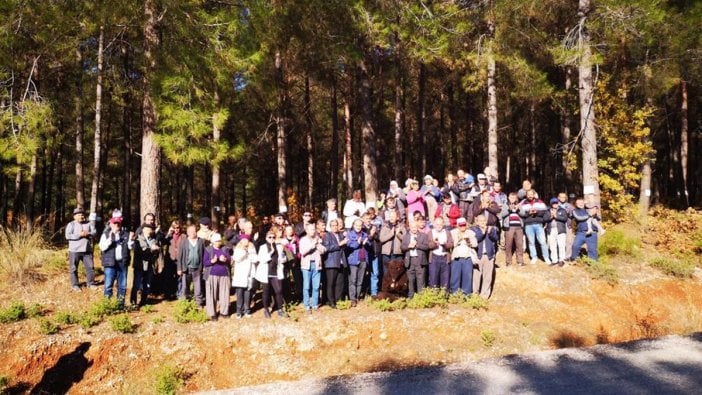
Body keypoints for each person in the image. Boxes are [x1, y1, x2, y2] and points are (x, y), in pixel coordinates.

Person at [99, 216, 134, 307]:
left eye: (118, 223)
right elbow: (102, 247)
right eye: (114, 223)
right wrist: (110, 238)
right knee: (108, 286)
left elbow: (131, 247)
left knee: (122, 286)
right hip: (110, 264)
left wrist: (131, 239)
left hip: (122, 263)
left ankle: (120, 305)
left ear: (120, 224)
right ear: (110, 224)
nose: (116, 225)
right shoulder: (106, 234)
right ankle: (107, 305)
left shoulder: (126, 234)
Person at [256, 228, 288, 318]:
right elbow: (261, 260)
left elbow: (284, 259)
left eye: (273, 237)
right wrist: (271, 252)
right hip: (265, 273)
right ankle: (266, 309)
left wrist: (282, 257)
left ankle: (279, 309)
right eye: (270, 237)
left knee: (278, 291)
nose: (272, 239)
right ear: (266, 238)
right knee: (266, 292)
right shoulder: (262, 247)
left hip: (276, 272)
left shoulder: (279, 246)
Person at [65, 207, 97, 291]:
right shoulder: (71, 224)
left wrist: (88, 233)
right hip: (74, 250)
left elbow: (94, 232)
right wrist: (79, 235)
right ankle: (75, 285)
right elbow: (67, 236)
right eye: (78, 215)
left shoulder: (89, 224)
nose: (81, 216)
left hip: (87, 250)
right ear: (74, 216)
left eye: (82, 215)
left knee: (90, 268)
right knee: (73, 268)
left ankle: (91, 284)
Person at [203, 233, 231, 321]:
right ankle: (212, 313)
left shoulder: (225, 249)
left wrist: (225, 259)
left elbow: (229, 260)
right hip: (212, 274)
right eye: (217, 241)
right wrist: (212, 261)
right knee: (211, 294)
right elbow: (205, 262)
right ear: (213, 242)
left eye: (219, 240)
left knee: (225, 294)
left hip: (224, 274)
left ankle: (224, 312)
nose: (219, 242)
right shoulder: (208, 249)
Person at [131, 223, 160, 307]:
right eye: (147, 229)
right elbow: (140, 251)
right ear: (143, 230)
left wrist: (157, 250)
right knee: (136, 285)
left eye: (150, 229)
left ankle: (143, 301)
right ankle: (133, 302)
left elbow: (156, 253)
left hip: (149, 266)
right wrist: (152, 249)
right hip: (139, 266)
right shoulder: (138, 239)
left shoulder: (153, 240)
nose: (149, 231)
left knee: (147, 285)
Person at [299, 223, 326, 313]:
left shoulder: (318, 239)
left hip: (316, 265)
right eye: (311, 229)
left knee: (316, 286)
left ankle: (315, 305)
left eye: (314, 229)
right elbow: (302, 252)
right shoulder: (303, 240)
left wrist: (318, 245)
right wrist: (312, 245)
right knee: (306, 286)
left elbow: (324, 250)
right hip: (307, 266)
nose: (313, 231)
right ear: (306, 231)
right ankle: (307, 306)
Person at [519, 189, 551, 264]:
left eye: (531, 194)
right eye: (528, 194)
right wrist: (528, 213)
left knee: (543, 242)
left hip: (538, 224)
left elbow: (545, 212)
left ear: (534, 194)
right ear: (526, 195)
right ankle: (534, 257)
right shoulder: (523, 204)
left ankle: (546, 257)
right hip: (528, 225)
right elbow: (521, 214)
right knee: (531, 242)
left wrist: (537, 212)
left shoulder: (540, 202)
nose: (530, 196)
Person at [177, 224, 205, 305]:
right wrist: (179, 268)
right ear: (187, 232)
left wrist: (203, 267)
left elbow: (203, 255)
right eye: (191, 231)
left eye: (194, 231)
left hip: (197, 268)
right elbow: (180, 256)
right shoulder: (184, 242)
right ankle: (184, 303)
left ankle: (199, 303)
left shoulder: (201, 241)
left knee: (198, 287)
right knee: (185, 287)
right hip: (186, 268)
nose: (193, 232)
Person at [401, 221, 431, 298]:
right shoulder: (406, 236)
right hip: (410, 261)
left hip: (420, 261)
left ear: (417, 227)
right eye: (412, 227)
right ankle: (410, 297)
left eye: (415, 227)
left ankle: (421, 298)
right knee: (410, 281)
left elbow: (427, 247)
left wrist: (417, 245)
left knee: (421, 280)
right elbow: (402, 247)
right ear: (409, 227)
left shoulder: (423, 236)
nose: (414, 229)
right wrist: (409, 246)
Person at [322, 219, 347, 308]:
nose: (335, 227)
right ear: (330, 227)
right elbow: (327, 248)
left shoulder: (341, 235)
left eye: (336, 225)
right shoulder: (327, 235)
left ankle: (338, 300)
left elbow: (344, 247)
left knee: (339, 283)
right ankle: (331, 301)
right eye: (332, 225)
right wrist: (340, 244)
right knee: (331, 283)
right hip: (331, 262)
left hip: (340, 262)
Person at [471, 215, 498, 299]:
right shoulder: (474, 230)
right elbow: (475, 239)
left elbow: (496, 238)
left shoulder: (491, 229)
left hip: (488, 256)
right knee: (476, 277)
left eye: (484, 220)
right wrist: (482, 233)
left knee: (487, 277)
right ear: (477, 222)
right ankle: (475, 294)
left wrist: (490, 233)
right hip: (478, 256)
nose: (483, 222)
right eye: (481, 221)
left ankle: (484, 296)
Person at [346, 218, 371, 307]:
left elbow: (369, 245)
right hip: (353, 260)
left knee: (360, 281)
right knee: (353, 280)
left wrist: (366, 243)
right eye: (356, 225)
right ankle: (353, 299)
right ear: (353, 225)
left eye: (360, 225)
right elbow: (349, 246)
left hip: (363, 260)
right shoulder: (350, 234)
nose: (358, 227)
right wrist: (357, 242)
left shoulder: (364, 234)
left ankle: (357, 297)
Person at [231, 237, 257, 318]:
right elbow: (237, 259)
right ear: (241, 242)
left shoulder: (252, 249)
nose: (246, 243)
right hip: (240, 276)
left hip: (249, 275)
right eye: (244, 241)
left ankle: (247, 310)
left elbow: (255, 260)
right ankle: (239, 311)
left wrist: (250, 253)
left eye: (247, 241)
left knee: (248, 294)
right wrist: (245, 252)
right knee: (239, 295)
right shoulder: (237, 250)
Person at [450, 217, 476, 295]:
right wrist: (458, 239)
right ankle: (455, 294)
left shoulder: (470, 233)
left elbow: (475, 244)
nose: (462, 227)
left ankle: (466, 295)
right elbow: (451, 245)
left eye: (464, 225)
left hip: (467, 257)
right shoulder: (453, 233)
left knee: (467, 277)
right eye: (460, 225)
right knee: (455, 277)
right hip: (456, 258)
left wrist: (469, 242)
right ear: (457, 225)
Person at [501, 192, 525, 266]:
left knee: (519, 244)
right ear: (508, 197)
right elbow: (501, 215)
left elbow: (523, 214)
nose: (512, 199)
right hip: (509, 227)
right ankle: (508, 261)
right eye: (511, 197)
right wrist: (509, 210)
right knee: (508, 245)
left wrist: (518, 210)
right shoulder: (505, 205)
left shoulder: (519, 205)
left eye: (514, 198)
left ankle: (520, 261)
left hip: (519, 227)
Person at [428, 217, 453, 290]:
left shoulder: (447, 232)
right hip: (434, 258)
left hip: (445, 258)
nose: (439, 226)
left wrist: (445, 244)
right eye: (437, 224)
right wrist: (435, 244)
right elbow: (428, 245)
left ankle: (444, 297)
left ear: (443, 224)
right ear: (434, 224)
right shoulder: (430, 232)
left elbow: (451, 244)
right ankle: (434, 297)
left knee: (445, 279)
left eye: (440, 224)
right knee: (433, 279)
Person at [363, 209, 382, 298]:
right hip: (366, 255)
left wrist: (375, 233)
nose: (368, 220)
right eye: (366, 218)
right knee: (364, 273)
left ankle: (374, 292)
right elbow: (366, 241)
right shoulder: (362, 229)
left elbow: (379, 239)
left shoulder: (374, 227)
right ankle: (364, 292)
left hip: (375, 253)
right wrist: (371, 234)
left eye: (369, 218)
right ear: (363, 219)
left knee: (375, 273)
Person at [281, 224, 302, 303]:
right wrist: (290, 244)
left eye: (291, 229)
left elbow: (300, 249)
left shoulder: (297, 238)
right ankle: (288, 298)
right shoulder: (283, 240)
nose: (290, 231)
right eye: (288, 230)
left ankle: (300, 296)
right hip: (286, 262)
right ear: (285, 232)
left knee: (298, 279)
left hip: (296, 261)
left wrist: (298, 257)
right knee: (287, 280)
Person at [162, 220, 182, 299]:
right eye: (174, 228)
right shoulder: (169, 236)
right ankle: (168, 294)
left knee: (179, 277)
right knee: (168, 277)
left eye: (178, 228)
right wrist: (168, 233)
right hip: (169, 259)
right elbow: (163, 242)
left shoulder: (183, 236)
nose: (176, 229)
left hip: (179, 260)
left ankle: (178, 294)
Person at [546, 198, 568, 266]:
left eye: (556, 203)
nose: (555, 204)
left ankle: (562, 260)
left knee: (561, 245)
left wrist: (556, 216)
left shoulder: (562, 210)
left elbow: (565, 219)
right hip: (551, 230)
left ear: (558, 203)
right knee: (552, 246)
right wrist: (550, 217)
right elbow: (544, 219)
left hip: (560, 230)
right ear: (551, 204)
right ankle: (554, 260)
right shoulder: (548, 211)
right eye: (553, 203)